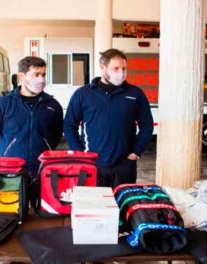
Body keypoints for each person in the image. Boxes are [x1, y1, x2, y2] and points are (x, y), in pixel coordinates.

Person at [64, 48, 153, 189]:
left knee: (123, 206)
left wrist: (136, 152)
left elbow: (147, 125)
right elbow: (69, 125)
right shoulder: (83, 94)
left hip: (125, 165)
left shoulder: (135, 93)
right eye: (116, 68)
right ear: (103, 68)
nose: (121, 72)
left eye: (124, 68)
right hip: (93, 164)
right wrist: (80, 153)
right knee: (96, 207)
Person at [0, 56, 63, 186]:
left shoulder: (53, 106)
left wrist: (45, 148)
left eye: (43, 74)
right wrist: (5, 152)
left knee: (42, 205)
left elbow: (56, 134)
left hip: (42, 168)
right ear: (22, 76)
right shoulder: (3, 105)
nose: (41, 79)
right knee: (14, 205)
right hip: (11, 169)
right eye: (36, 74)